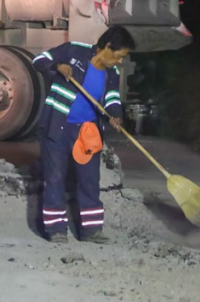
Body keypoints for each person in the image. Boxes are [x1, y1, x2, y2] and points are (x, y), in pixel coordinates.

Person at [32, 26, 134, 244]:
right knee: (55, 177)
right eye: (119, 56)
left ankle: (91, 231)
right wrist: (57, 66)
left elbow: (112, 99)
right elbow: (38, 60)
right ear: (107, 47)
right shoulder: (74, 51)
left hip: (88, 132)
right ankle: (56, 229)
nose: (119, 62)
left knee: (89, 180)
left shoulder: (112, 74)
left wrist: (115, 115)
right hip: (57, 127)